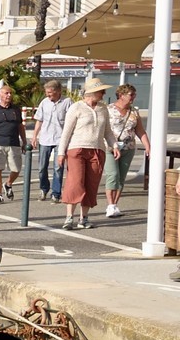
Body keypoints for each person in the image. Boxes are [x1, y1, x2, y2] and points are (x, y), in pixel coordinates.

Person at [55, 77, 118, 230]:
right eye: (101, 91)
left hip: (97, 150)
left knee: (92, 183)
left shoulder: (103, 108)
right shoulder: (76, 107)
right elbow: (66, 132)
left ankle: (84, 218)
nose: (103, 93)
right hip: (77, 149)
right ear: (91, 92)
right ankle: (69, 217)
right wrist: (61, 152)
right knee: (75, 182)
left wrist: (114, 145)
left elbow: (107, 131)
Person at [103, 83, 149, 218]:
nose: (133, 97)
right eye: (131, 94)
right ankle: (110, 205)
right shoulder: (108, 110)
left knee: (121, 178)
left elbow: (140, 131)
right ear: (121, 95)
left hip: (128, 148)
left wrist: (148, 146)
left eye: (134, 95)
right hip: (109, 147)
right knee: (113, 175)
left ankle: (115, 205)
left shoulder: (134, 112)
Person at [33, 79, 69, 201]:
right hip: (45, 138)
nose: (48, 95)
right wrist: (34, 136)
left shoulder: (67, 102)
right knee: (42, 167)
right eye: (46, 92)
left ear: (58, 91)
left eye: (50, 92)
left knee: (58, 168)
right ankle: (44, 188)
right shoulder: (44, 102)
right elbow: (39, 120)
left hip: (60, 139)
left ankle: (56, 193)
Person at [0, 83, 24, 203]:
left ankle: (8, 184)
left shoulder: (16, 110)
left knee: (16, 169)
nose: (9, 95)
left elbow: (20, 126)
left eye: (10, 93)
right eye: (6, 93)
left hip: (13, 143)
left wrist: (24, 141)